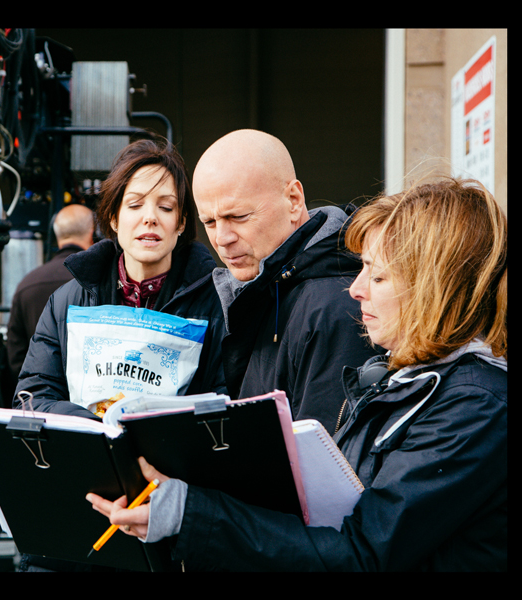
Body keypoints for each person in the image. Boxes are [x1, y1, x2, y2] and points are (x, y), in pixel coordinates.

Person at [88, 177, 507, 571]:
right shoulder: (416, 383)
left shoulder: (474, 403)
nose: (356, 288)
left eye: (378, 275)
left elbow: (362, 553)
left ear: (436, 287)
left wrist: (191, 514)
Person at [13, 137, 227, 418]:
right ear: (113, 218)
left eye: (165, 207)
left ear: (181, 222)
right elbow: (32, 398)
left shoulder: (217, 305)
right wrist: (100, 433)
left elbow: (226, 404)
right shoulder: (67, 302)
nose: (150, 218)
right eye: (135, 205)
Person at [191, 129, 378, 433]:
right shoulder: (268, 283)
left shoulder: (336, 302)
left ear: (294, 200)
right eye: (209, 222)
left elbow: (324, 467)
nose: (221, 239)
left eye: (238, 216)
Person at [5, 203, 95, 378]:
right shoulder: (99, 281)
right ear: (93, 234)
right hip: (91, 400)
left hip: (40, 398)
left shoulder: (27, 284)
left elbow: (15, 355)